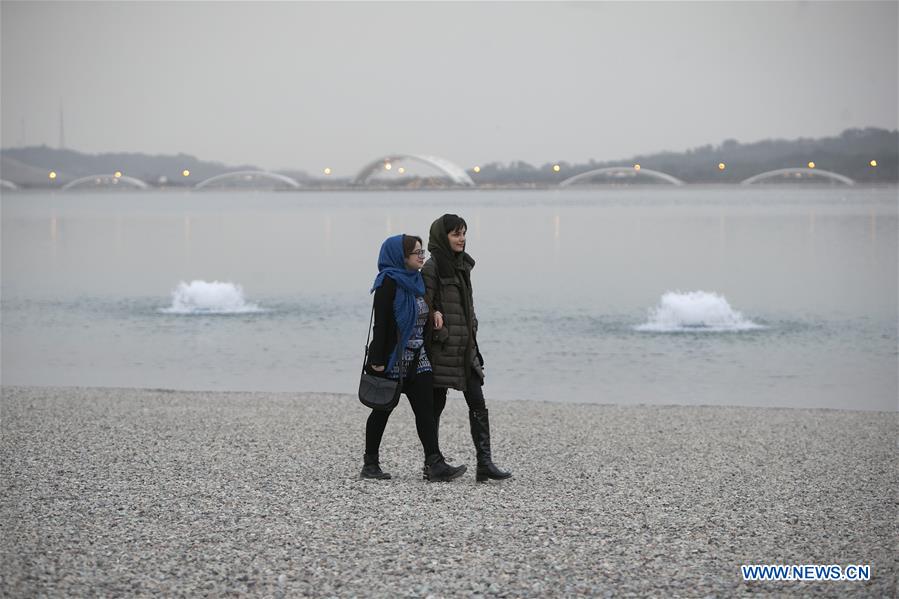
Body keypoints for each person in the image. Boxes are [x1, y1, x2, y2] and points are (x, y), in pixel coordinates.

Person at [362, 233, 467, 482]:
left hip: (418, 357)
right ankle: (370, 464)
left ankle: (435, 463)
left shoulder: (416, 281)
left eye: (422, 252)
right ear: (401, 256)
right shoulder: (387, 282)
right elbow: (382, 324)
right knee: (382, 409)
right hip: (392, 359)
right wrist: (377, 360)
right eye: (417, 253)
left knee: (425, 411)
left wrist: (434, 312)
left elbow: (422, 307)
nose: (422, 256)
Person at [422, 215, 512, 482]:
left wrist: (473, 333)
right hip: (442, 348)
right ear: (442, 237)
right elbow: (424, 303)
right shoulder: (432, 266)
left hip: (465, 349)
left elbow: (465, 306)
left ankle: (484, 463)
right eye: (455, 234)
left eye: (463, 233)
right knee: (435, 405)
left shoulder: (463, 265)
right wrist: (436, 316)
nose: (462, 238)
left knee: (477, 402)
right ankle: (432, 463)